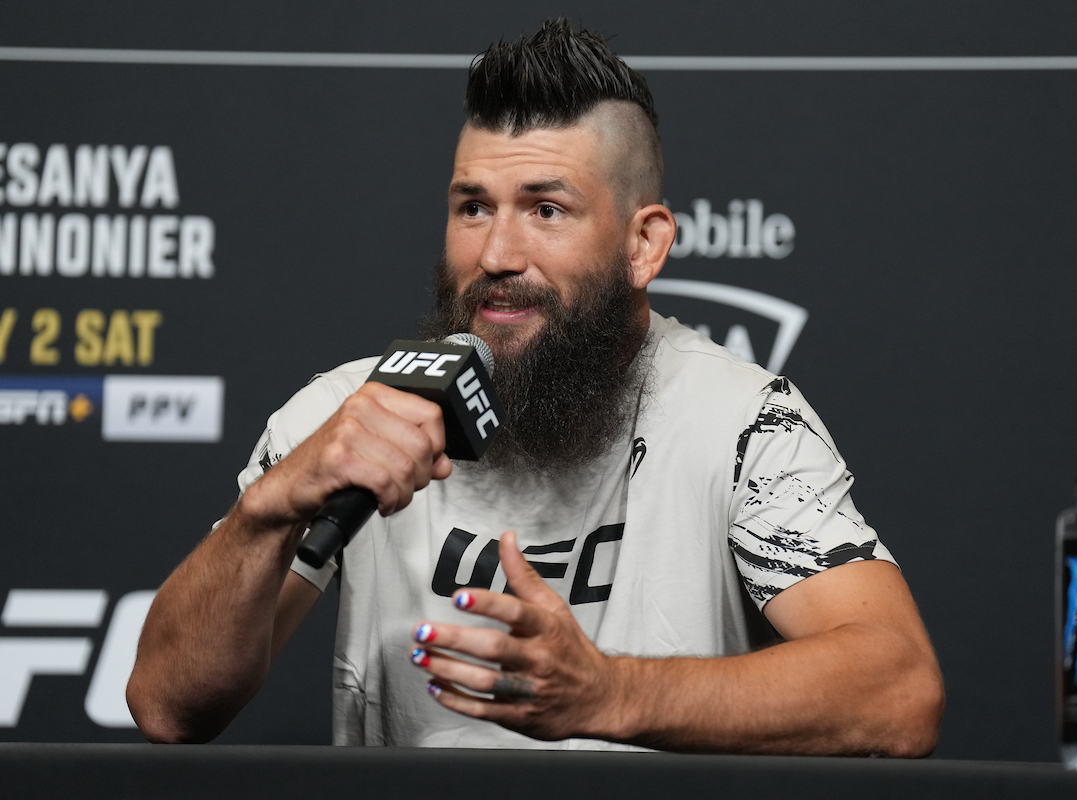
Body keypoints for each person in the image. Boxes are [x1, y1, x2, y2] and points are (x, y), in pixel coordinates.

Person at [127, 18, 943, 754]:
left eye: (546, 210)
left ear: (644, 245)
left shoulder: (740, 422)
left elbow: (899, 691)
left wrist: (610, 694)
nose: (497, 254)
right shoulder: (353, 416)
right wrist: (270, 509)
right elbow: (167, 704)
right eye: (473, 208)